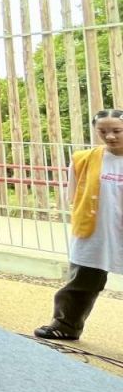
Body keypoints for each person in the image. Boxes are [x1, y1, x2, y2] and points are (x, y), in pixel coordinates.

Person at [35, 109, 123, 341]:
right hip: (94, 229)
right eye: (103, 131)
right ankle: (66, 325)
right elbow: (73, 196)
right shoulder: (83, 159)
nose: (110, 136)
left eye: (117, 131)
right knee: (81, 281)